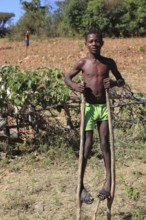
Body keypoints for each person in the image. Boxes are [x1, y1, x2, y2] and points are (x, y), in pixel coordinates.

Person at [64, 29, 125, 204]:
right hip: (89, 108)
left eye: (97, 41)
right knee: (87, 145)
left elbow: (121, 81)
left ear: (102, 43)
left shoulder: (108, 63)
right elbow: (67, 78)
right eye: (91, 41)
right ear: (86, 43)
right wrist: (75, 86)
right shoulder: (82, 63)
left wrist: (113, 82)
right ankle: (81, 186)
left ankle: (108, 182)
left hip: (103, 107)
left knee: (105, 143)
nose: (94, 44)